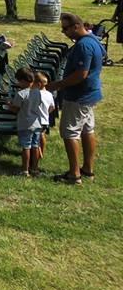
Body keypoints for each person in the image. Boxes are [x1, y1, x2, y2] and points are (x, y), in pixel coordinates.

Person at [48, 12, 104, 185]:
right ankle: (87, 169)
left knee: (70, 132)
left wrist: (58, 85)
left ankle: (74, 175)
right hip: (90, 94)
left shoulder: (83, 46)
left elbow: (81, 74)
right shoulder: (93, 39)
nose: (64, 32)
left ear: (76, 26)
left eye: (66, 28)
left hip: (79, 96)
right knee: (88, 130)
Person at [8, 67, 52, 177]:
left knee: (26, 146)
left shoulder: (21, 94)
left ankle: (25, 169)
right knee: (35, 145)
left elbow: (16, 109)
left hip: (25, 124)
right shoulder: (38, 93)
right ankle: (35, 168)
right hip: (37, 123)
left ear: (22, 81)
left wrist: (9, 106)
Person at [34, 71, 55, 160]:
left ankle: (38, 153)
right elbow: (52, 107)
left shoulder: (35, 95)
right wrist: (46, 113)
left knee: (35, 138)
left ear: (38, 84)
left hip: (36, 120)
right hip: (45, 120)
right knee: (42, 135)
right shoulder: (49, 94)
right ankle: (42, 150)